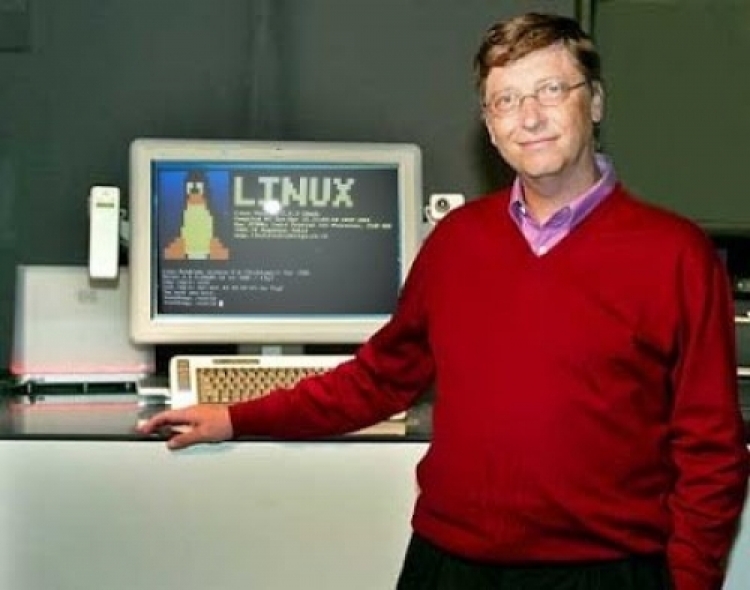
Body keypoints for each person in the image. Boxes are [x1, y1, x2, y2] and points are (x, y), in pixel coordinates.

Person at [139, 12, 749, 590]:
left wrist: (688, 582)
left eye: (550, 90)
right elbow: (379, 380)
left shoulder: (675, 254)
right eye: (506, 100)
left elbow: (712, 451)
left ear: (594, 102)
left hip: (605, 572)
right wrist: (236, 417)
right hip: (449, 566)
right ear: (489, 125)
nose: (529, 117)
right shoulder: (457, 242)